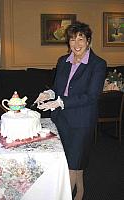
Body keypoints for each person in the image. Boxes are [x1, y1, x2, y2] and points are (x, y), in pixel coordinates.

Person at [34, 21, 107, 200]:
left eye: (81, 39)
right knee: (72, 159)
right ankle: (81, 190)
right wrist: (48, 94)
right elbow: (57, 87)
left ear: (88, 41)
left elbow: (91, 96)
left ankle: (69, 195)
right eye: (72, 40)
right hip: (61, 118)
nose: (76, 44)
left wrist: (59, 102)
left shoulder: (98, 64)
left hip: (81, 120)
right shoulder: (63, 61)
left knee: (73, 162)